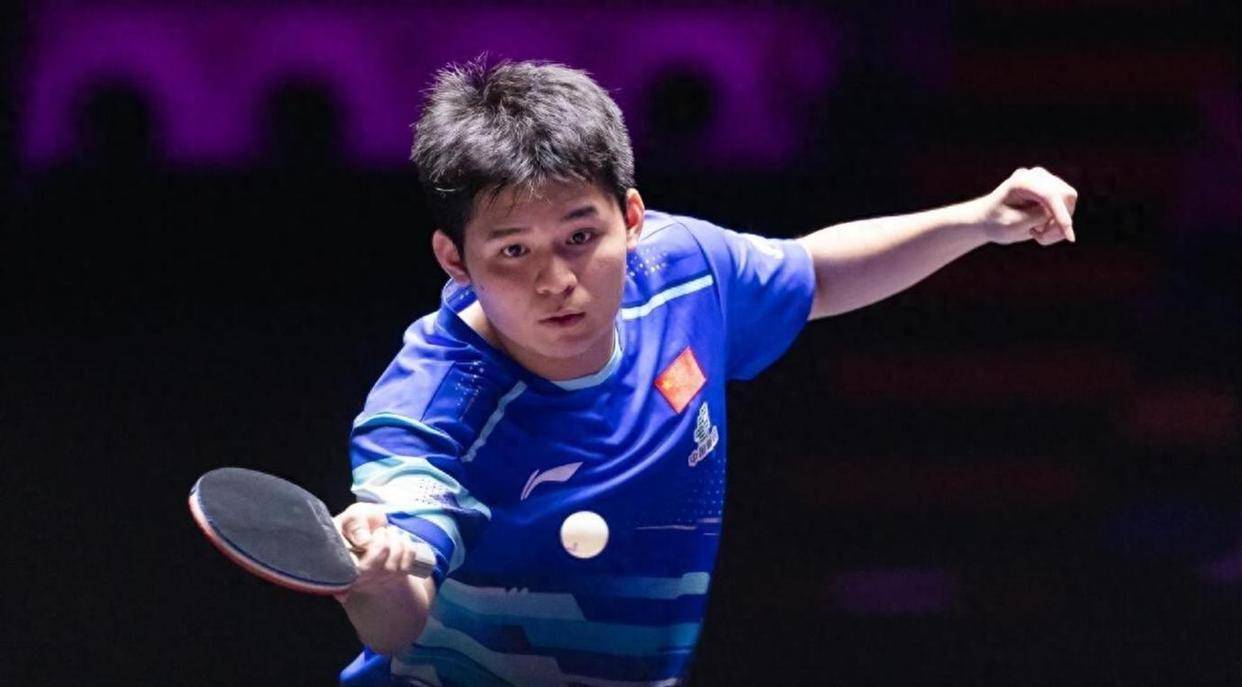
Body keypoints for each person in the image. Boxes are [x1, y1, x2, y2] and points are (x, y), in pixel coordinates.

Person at [333, 58, 1077, 686]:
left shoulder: (683, 273)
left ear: (631, 218)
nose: (556, 280)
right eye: (513, 251)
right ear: (455, 259)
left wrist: (976, 219)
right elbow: (398, 619)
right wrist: (376, 576)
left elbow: (816, 274)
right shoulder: (430, 407)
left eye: (580, 236)